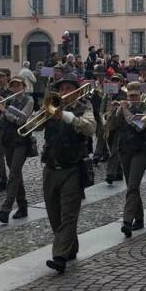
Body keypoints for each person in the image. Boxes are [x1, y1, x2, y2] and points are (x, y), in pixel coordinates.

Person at [40, 74, 96, 273]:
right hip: (51, 168)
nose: (64, 92)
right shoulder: (51, 106)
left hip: (73, 168)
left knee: (68, 215)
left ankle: (59, 256)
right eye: (61, 89)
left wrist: (66, 116)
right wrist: (44, 112)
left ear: (76, 90)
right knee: (54, 214)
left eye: (68, 88)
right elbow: (31, 126)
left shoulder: (84, 107)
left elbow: (90, 128)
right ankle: (69, 247)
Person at [107, 80, 146, 238]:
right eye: (130, 95)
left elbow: (138, 126)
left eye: (135, 95)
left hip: (140, 151)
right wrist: (113, 111)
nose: (132, 98)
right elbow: (111, 127)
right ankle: (139, 218)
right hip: (124, 150)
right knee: (132, 185)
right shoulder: (123, 108)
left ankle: (127, 221)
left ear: (140, 95)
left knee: (132, 187)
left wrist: (126, 110)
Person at [0, 76, 35, 224]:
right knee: (16, 175)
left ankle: (5, 210)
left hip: (21, 142)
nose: (16, 88)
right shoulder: (10, 101)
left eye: (18, 85)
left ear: (23, 86)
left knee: (14, 174)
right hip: (8, 142)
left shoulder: (28, 101)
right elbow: (1, 123)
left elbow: (21, 120)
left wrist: (4, 110)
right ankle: (23, 206)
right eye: (13, 86)